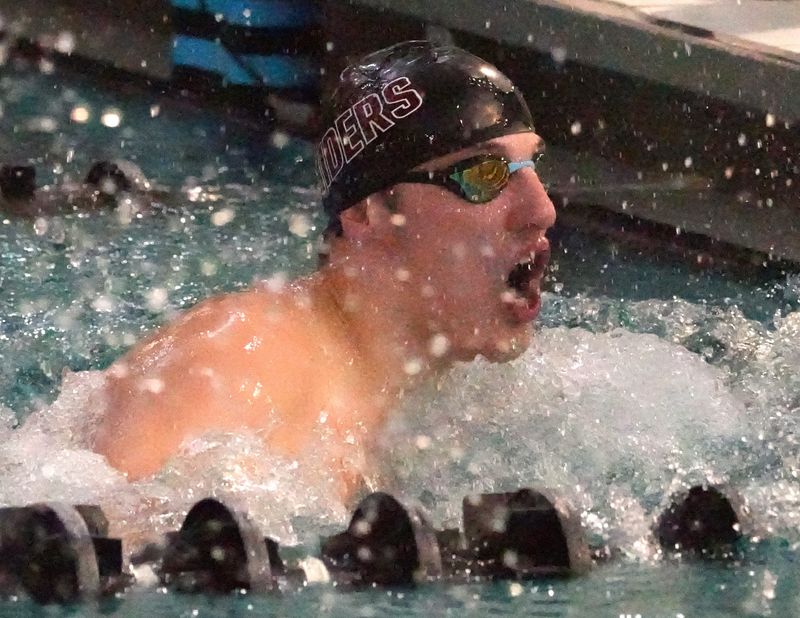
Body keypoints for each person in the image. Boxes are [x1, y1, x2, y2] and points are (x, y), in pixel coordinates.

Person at [91, 40, 556, 500]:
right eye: (484, 175)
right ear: (368, 213)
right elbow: (93, 544)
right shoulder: (235, 369)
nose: (542, 210)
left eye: (532, 165)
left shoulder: (455, 385)